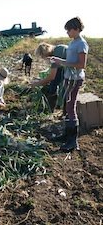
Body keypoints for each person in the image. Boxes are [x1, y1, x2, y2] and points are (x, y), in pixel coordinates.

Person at [51, 17, 89, 152]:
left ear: (77, 29)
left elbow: (81, 65)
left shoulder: (81, 44)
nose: (67, 32)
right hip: (69, 78)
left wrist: (63, 63)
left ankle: (73, 141)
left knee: (71, 106)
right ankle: (67, 135)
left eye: (69, 30)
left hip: (75, 79)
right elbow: (69, 60)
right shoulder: (73, 42)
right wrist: (59, 60)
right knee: (67, 106)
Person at [30, 42, 67, 113]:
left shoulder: (58, 52)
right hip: (67, 69)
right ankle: (52, 108)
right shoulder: (58, 49)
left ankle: (60, 111)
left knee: (64, 90)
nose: (44, 58)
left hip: (72, 72)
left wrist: (37, 83)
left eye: (43, 56)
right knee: (53, 85)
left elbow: (52, 76)